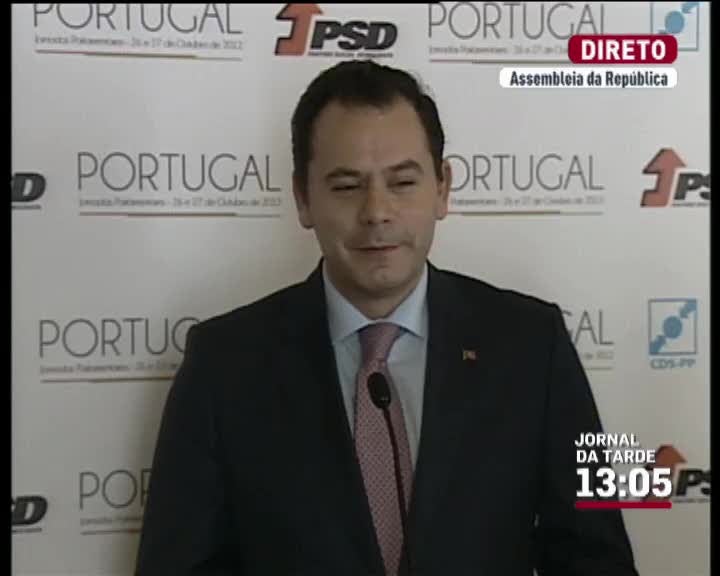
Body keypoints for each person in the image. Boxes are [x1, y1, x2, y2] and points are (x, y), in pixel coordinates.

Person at [135, 60, 639, 576]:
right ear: (303, 198)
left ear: (442, 188)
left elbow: (596, 558)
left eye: (402, 182)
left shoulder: (532, 346)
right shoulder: (223, 366)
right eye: (346, 186)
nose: (377, 211)